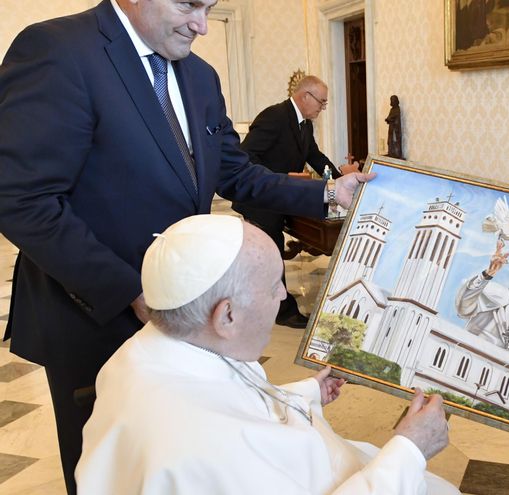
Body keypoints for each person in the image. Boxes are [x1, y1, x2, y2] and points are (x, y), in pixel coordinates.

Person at [0, 2, 371, 493]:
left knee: (183, 455)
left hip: (184, 308)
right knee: (111, 469)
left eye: (210, 7)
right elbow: (21, 198)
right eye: (188, 4)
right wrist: (130, 290)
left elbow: (234, 172)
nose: (201, 24)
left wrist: (325, 193)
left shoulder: (200, 75)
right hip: (93, 312)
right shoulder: (58, 50)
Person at [75, 214, 459, 494]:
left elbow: (229, 399)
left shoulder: (155, 348)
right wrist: (411, 448)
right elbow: (229, 434)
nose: (283, 295)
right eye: (275, 284)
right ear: (226, 315)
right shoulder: (205, 449)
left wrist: (304, 393)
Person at [233, 74, 348, 329]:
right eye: (321, 102)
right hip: (261, 200)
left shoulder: (305, 124)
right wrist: (282, 178)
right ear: (305, 96)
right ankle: (281, 311)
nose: (322, 107)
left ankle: (273, 305)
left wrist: (340, 181)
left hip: (281, 199)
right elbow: (245, 156)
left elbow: (315, 156)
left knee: (273, 251)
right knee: (271, 254)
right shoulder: (274, 116)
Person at [455, 240, 509, 367]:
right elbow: (463, 307)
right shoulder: (492, 292)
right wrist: (488, 273)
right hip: (473, 359)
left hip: (505, 374)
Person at [385, 94, 403, 159]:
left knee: (395, 141)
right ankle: (391, 152)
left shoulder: (397, 109)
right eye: (391, 100)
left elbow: (396, 118)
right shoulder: (391, 109)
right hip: (391, 128)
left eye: (393, 100)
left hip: (395, 129)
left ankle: (397, 153)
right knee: (390, 141)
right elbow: (389, 116)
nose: (392, 102)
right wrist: (387, 119)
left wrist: (391, 119)